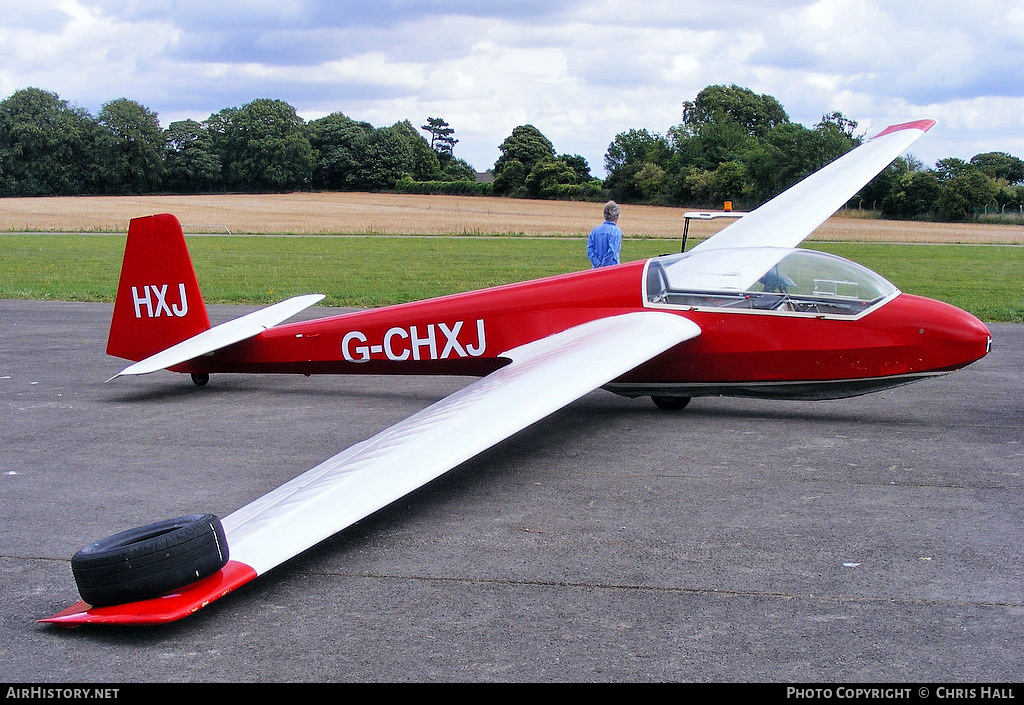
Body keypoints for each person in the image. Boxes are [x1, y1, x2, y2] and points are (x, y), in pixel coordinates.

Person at [587, 201, 622, 267]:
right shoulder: (616, 231)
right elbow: (612, 251)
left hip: (595, 269)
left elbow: (590, 250)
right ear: (616, 216)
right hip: (611, 269)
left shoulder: (595, 230)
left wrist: (597, 264)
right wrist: (603, 266)